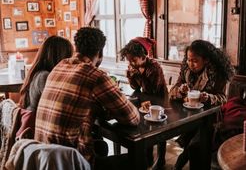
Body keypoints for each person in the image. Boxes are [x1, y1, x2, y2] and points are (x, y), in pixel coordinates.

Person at [34, 27, 140, 169]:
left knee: (100, 147)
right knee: (138, 158)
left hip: (43, 159)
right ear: (100, 52)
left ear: (76, 48)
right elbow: (132, 118)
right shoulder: (96, 76)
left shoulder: (59, 66)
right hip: (70, 163)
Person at [169, 40, 234, 170]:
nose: (190, 64)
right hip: (190, 115)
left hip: (211, 117)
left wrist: (208, 97)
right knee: (191, 142)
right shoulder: (186, 70)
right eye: (188, 60)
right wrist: (180, 91)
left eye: (195, 61)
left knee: (197, 145)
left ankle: (181, 161)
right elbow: (173, 91)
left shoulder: (217, 74)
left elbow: (223, 99)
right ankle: (182, 161)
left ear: (206, 60)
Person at [120, 37, 167, 169]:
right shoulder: (135, 67)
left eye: (133, 60)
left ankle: (161, 159)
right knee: (146, 129)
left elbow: (152, 89)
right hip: (145, 101)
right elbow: (135, 87)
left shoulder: (154, 67)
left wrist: (138, 74)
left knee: (159, 131)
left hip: (159, 100)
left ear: (143, 56)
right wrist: (131, 75)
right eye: (129, 60)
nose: (131, 63)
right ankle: (148, 158)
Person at [19, 36, 73, 111]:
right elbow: (58, 105)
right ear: (60, 57)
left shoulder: (40, 73)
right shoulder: (44, 76)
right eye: (69, 56)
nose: (70, 61)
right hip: (37, 121)